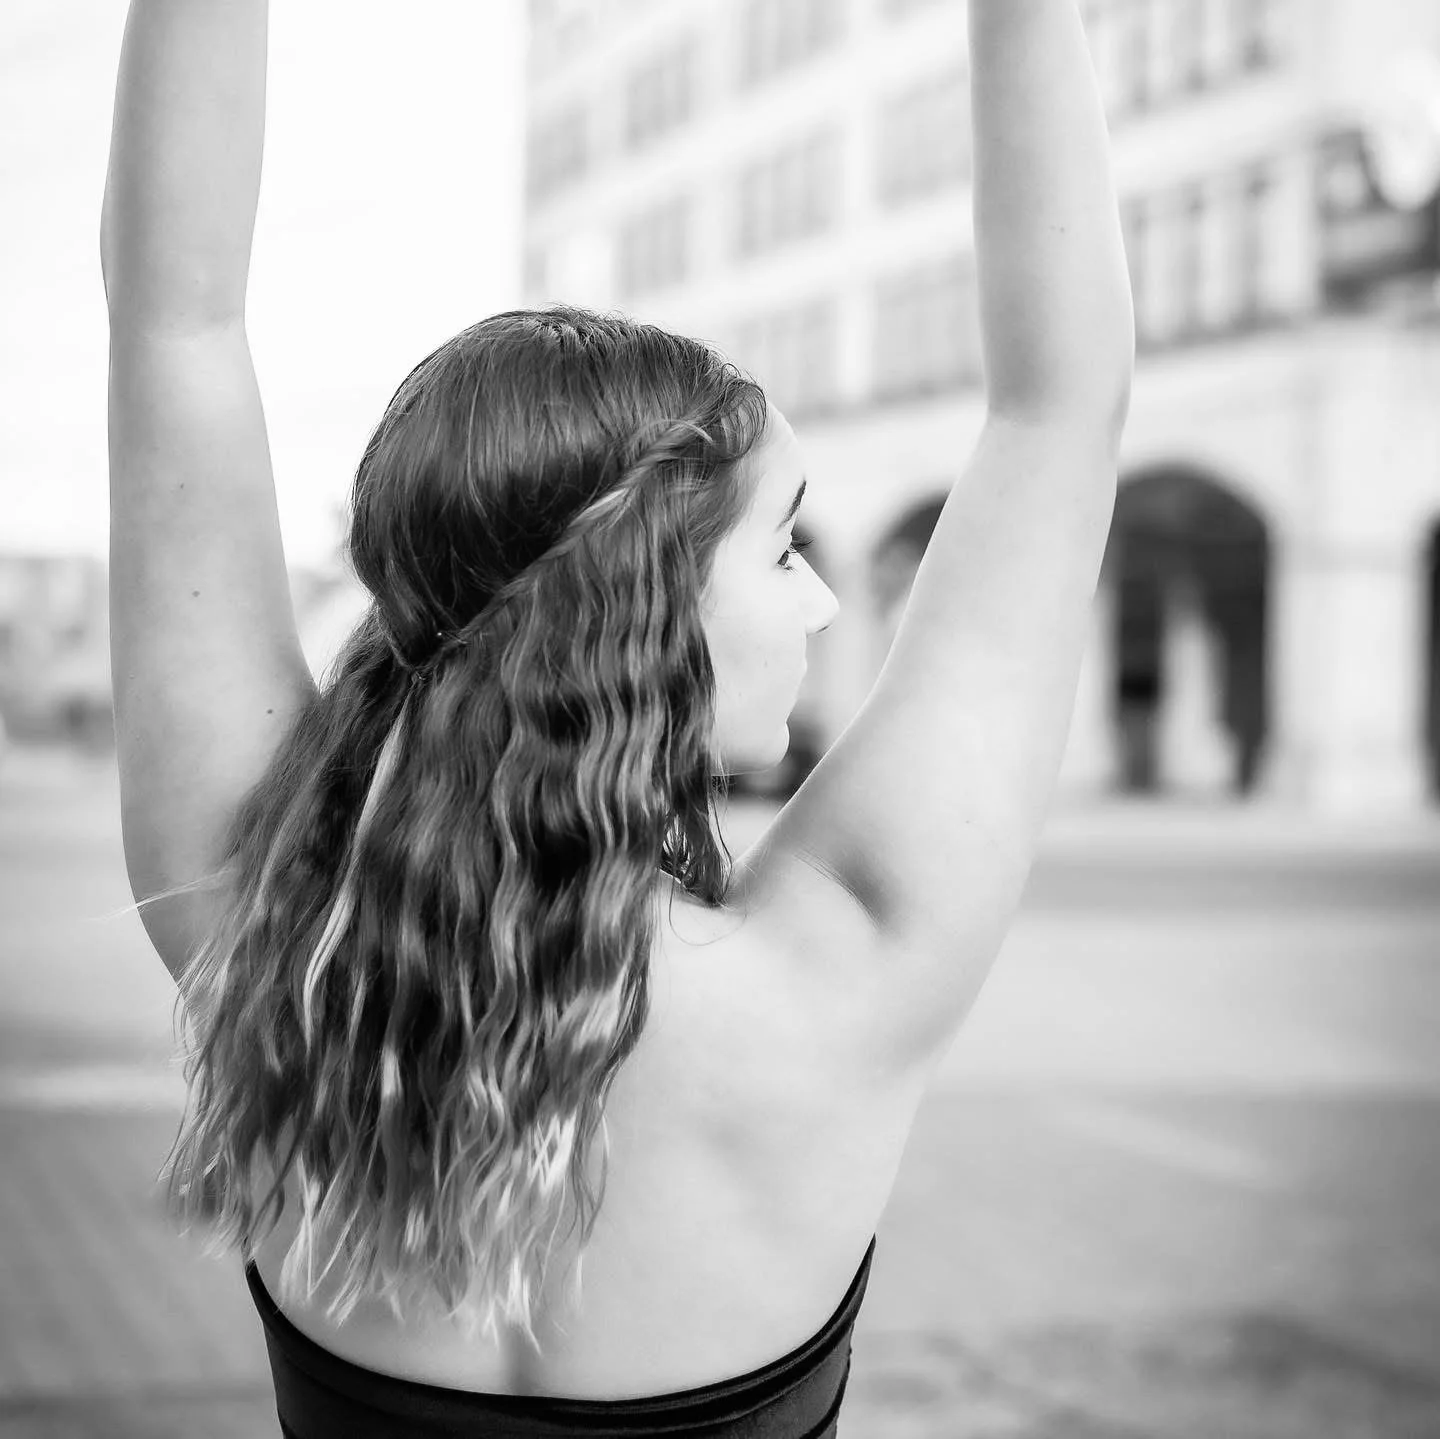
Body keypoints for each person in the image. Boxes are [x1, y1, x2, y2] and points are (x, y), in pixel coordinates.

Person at [101, 1, 1134, 1434]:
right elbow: (1060, 405)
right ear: (650, 603)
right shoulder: (845, 963)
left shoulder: (258, 919)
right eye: (785, 547)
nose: (825, 606)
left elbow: (176, 325)